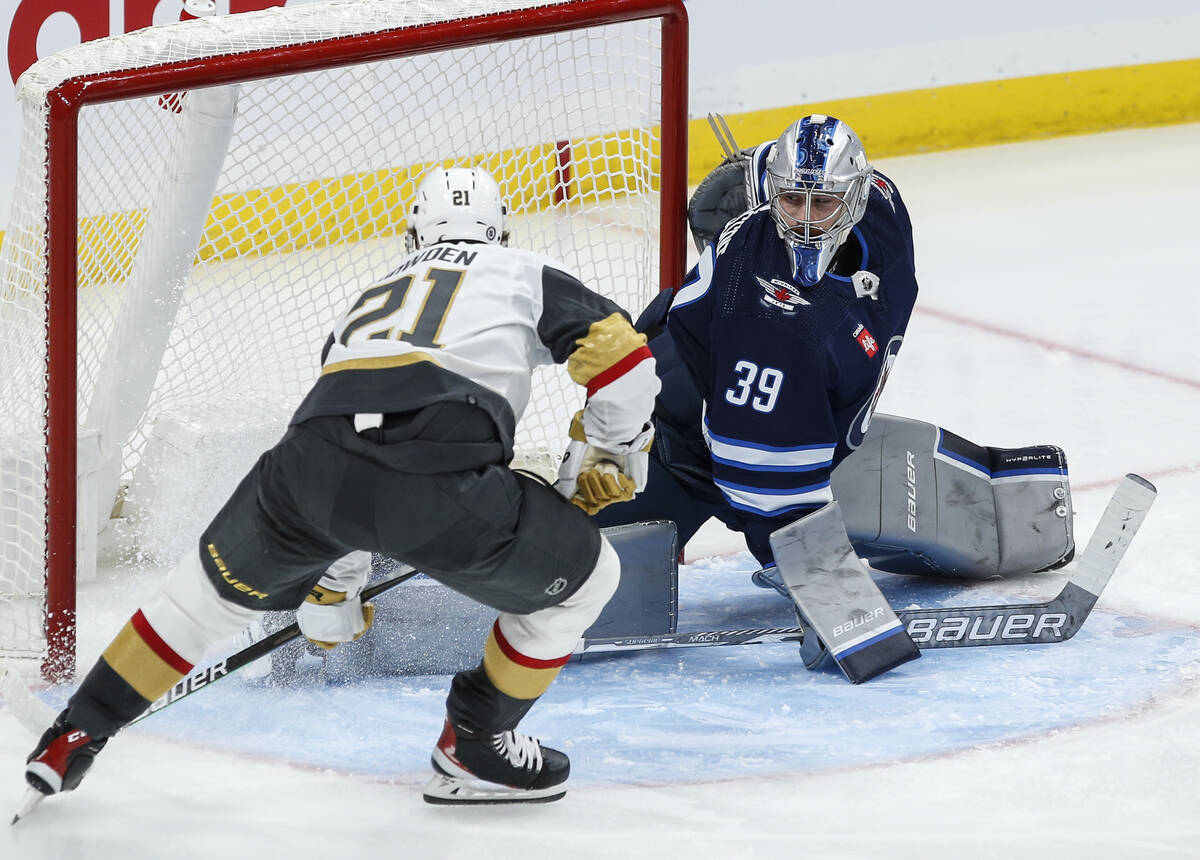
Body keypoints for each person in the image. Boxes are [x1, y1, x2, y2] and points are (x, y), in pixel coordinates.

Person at [23, 166, 659, 807]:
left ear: (413, 236)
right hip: (439, 477)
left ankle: (72, 733)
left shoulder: (367, 300)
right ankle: (475, 744)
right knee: (592, 579)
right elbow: (625, 358)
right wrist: (608, 451)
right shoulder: (520, 268)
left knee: (192, 608)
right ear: (500, 231)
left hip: (304, 468)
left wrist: (333, 593)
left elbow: (350, 454)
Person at [592, 113, 917, 579]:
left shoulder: (884, 213)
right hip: (668, 444)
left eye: (822, 202)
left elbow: (795, 169)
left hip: (700, 371)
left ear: (857, 195)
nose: (805, 220)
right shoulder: (770, 326)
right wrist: (810, 572)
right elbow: (760, 490)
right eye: (790, 200)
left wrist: (762, 166)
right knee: (583, 590)